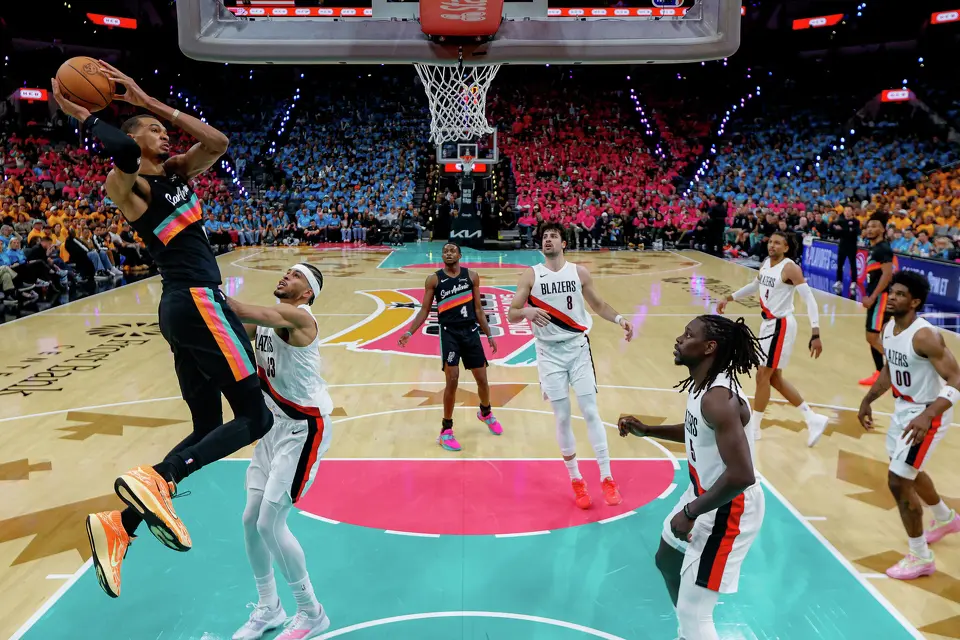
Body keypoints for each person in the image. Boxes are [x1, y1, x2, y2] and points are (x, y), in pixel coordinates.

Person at [53, 62, 274, 599]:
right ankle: (161, 479)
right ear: (130, 139)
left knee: (205, 427)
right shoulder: (126, 185)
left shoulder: (176, 172)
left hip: (187, 309)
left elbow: (218, 141)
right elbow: (124, 155)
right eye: (152, 129)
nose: (162, 133)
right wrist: (86, 116)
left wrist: (150, 101)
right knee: (256, 415)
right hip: (196, 301)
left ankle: (119, 525)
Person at [618, 315, 765, 640]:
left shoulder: (718, 399)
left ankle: (692, 629)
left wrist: (689, 513)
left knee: (694, 611)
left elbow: (742, 475)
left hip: (730, 508)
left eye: (688, 335)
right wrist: (649, 431)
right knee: (667, 558)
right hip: (706, 493)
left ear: (709, 347)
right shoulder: (704, 384)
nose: (679, 339)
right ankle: (690, 632)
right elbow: (698, 430)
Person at [226, 263, 332, 640]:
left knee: (270, 522)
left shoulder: (298, 317)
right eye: (287, 271)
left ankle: (311, 612)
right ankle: (269, 606)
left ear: (307, 294)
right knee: (250, 520)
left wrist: (199, 283)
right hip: (274, 426)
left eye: (297, 276)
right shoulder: (270, 320)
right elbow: (231, 330)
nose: (288, 276)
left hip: (304, 429)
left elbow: (237, 310)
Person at [507, 222, 633, 508]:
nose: (548, 240)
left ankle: (606, 477)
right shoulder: (531, 275)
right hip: (549, 354)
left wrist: (620, 319)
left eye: (553, 236)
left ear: (564, 243)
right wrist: (527, 310)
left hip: (577, 349)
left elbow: (598, 305)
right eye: (544, 237)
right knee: (562, 417)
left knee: (590, 411)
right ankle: (577, 480)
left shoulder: (579, 272)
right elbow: (513, 313)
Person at [858, 271, 960, 580]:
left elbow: (956, 379)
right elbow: (891, 370)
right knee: (908, 473)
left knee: (898, 480)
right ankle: (945, 518)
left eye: (901, 294)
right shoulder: (890, 328)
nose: (893, 298)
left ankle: (920, 557)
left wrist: (928, 415)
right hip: (904, 410)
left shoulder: (925, 336)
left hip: (929, 412)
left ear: (915, 302)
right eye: (893, 293)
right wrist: (868, 399)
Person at [717, 230, 830, 446]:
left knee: (762, 376)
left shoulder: (790, 268)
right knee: (774, 379)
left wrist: (816, 332)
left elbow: (810, 300)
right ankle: (812, 418)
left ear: (786, 247)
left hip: (781, 325)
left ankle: (754, 429)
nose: (772, 246)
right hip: (768, 324)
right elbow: (755, 286)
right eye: (771, 241)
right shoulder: (767, 262)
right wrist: (729, 297)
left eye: (778, 243)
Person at [398, 242, 503, 451]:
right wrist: (410, 331)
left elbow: (479, 310)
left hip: (471, 332)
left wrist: (489, 334)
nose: (448, 253)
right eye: (445, 251)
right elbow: (424, 310)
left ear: (460, 255)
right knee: (452, 379)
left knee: (482, 379)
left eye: (452, 250)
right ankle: (446, 430)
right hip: (449, 333)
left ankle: (485, 412)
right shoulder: (434, 279)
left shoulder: (472, 276)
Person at [860, 212, 895, 386]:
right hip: (875, 296)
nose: (871, 229)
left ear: (882, 229)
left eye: (875, 226)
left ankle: (898, 368)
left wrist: (873, 296)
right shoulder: (873, 248)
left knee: (873, 337)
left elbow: (887, 275)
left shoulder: (883, 248)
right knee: (872, 336)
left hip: (881, 298)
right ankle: (880, 372)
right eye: (869, 226)